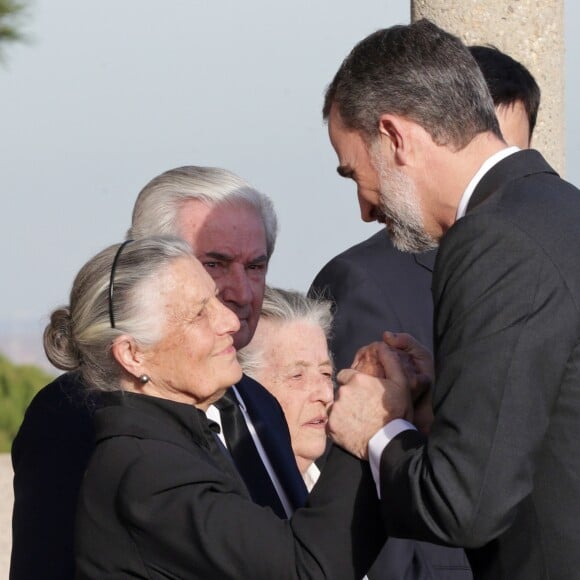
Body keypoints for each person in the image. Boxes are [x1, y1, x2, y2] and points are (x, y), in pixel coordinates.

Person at [324, 19, 580, 580]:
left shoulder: (493, 240)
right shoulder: (559, 212)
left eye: (353, 174)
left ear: (393, 137)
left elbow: (466, 506)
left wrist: (378, 429)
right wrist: (450, 393)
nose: (365, 210)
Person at [10, 167, 307, 580]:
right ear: (145, 265)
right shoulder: (76, 413)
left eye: (255, 266)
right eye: (213, 265)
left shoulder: (258, 403)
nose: (241, 293)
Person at [42, 236, 383, 578]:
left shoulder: (180, 443)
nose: (230, 322)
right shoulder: (147, 473)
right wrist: (361, 431)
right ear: (132, 355)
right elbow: (305, 569)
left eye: (217, 301)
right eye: (200, 313)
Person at [239, 287, 335, 490]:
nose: (325, 395)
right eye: (297, 376)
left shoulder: (335, 494)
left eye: (326, 374)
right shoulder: (231, 498)